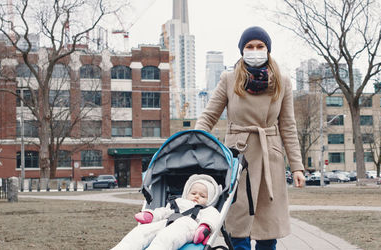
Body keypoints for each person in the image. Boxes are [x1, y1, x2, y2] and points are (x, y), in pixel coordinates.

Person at [195, 26, 307, 250]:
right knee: (238, 224)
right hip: (238, 158)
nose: (255, 50)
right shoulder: (229, 79)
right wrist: (194, 145)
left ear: (268, 49)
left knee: (267, 228)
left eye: (260, 46)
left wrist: (297, 167)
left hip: (270, 158)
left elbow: (288, 125)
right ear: (242, 50)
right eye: (249, 46)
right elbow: (208, 117)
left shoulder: (282, 81)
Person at [112, 175, 223, 250]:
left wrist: (204, 228)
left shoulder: (207, 209)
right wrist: (152, 215)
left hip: (189, 225)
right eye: (193, 193)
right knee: (142, 231)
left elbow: (212, 218)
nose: (197, 196)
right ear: (186, 193)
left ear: (211, 199)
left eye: (202, 196)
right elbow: (164, 211)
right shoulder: (178, 202)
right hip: (167, 222)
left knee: (167, 237)